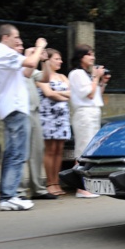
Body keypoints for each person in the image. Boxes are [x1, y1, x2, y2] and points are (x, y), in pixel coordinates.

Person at [0, 24, 48, 211]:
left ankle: (9, 195)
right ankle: (9, 196)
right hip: (15, 109)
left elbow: (27, 71)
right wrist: (39, 47)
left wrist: (37, 55)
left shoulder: (5, 55)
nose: (18, 41)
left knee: (13, 153)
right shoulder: (2, 53)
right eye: (16, 37)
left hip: (14, 109)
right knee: (16, 154)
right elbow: (30, 64)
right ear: (5, 37)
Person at [68, 44, 111, 198]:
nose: (93, 57)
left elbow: (97, 94)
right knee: (82, 150)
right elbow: (89, 94)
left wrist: (102, 82)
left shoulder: (86, 75)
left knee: (90, 150)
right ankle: (80, 188)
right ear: (81, 57)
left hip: (93, 112)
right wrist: (96, 77)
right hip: (84, 114)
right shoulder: (77, 73)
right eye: (89, 54)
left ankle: (87, 185)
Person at [19, 46, 57, 200]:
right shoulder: (16, 66)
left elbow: (46, 78)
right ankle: (19, 191)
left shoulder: (31, 68)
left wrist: (46, 60)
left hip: (34, 112)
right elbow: (26, 69)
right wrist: (32, 53)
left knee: (37, 151)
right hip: (21, 112)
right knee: (21, 153)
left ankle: (38, 189)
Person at [37, 48, 71, 196]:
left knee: (59, 151)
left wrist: (58, 94)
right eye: (57, 59)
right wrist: (62, 95)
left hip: (62, 118)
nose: (60, 61)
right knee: (50, 151)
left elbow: (72, 93)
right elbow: (48, 93)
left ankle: (56, 182)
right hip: (48, 117)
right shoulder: (40, 76)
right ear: (48, 59)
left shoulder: (63, 76)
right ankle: (49, 183)